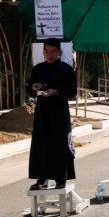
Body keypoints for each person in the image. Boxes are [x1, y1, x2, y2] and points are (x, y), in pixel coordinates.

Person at [28, 39, 77, 190]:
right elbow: (30, 89)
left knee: (59, 144)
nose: (49, 55)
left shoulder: (66, 69)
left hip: (59, 111)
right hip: (42, 110)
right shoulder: (37, 69)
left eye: (53, 52)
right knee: (41, 144)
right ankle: (42, 178)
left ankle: (60, 178)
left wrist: (57, 92)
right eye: (46, 52)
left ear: (59, 52)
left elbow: (72, 91)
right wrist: (35, 88)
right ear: (43, 52)